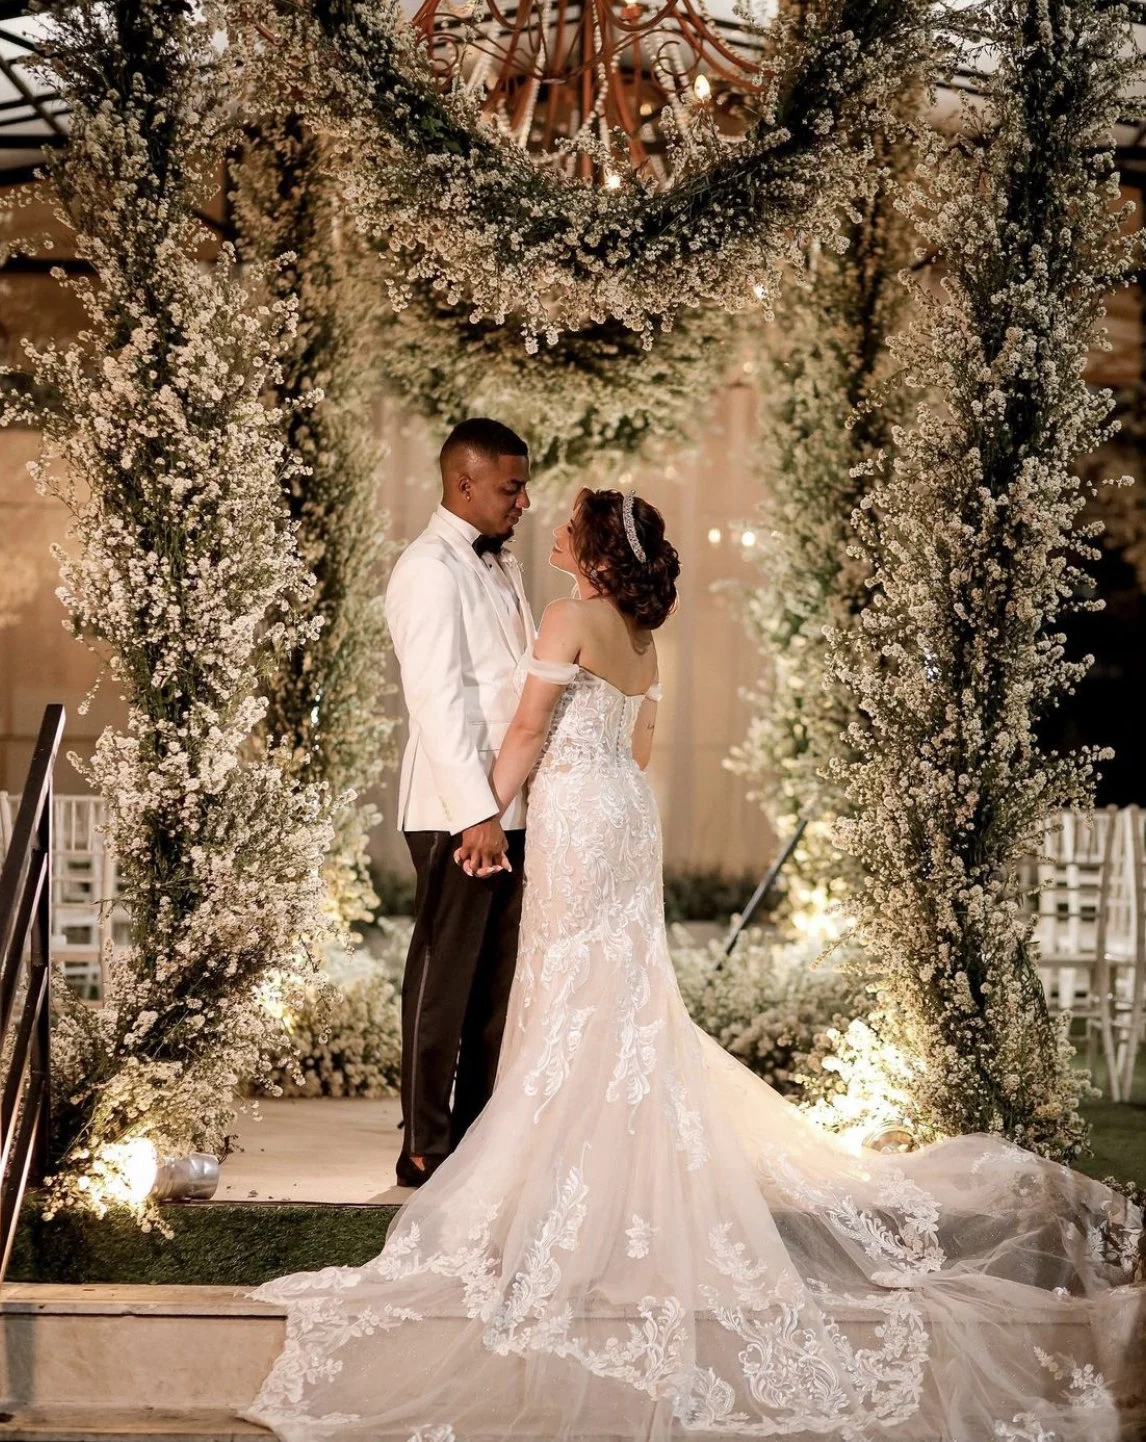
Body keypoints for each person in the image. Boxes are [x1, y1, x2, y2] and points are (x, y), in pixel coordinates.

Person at [246, 487, 1145, 1442]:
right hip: (625, 818)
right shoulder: (639, 633)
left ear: (592, 547)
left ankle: (565, 1181)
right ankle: (605, 1165)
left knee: (574, 989)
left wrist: (482, 820)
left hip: (577, 817)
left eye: (570, 521)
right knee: (621, 992)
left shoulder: (568, 614)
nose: (551, 524)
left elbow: (524, 732)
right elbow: (639, 744)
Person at [383, 418, 534, 1188]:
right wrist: (476, 811)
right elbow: (437, 702)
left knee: (492, 986)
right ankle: (424, 1144)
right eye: (511, 487)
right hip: (455, 810)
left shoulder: (502, 564)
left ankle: (474, 1140)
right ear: (464, 483)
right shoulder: (427, 570)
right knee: (444, 981)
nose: (524, 501)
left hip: (506, 806)